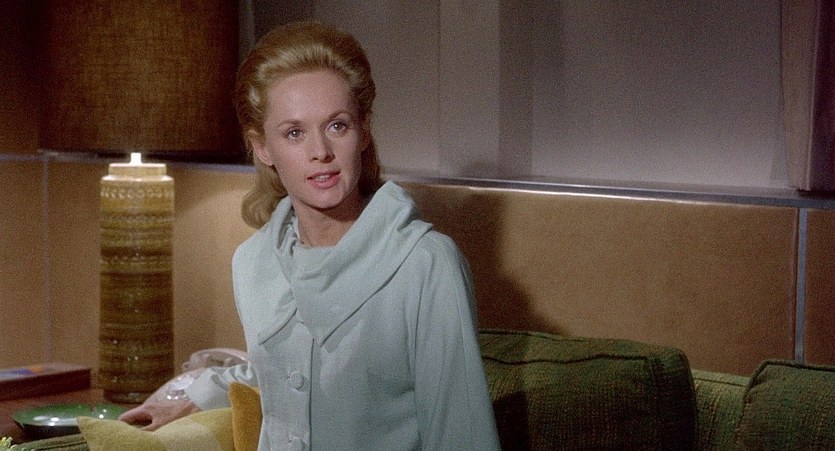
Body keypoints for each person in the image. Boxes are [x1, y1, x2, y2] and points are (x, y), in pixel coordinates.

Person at [119, 21, 500, 450]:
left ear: (363, 131)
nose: (321, 152)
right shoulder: (253, 262)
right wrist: (191, 396)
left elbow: (462, 436)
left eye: (337, 126)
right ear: (262, 147)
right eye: (295, 133)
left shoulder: (426, 264)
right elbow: (284, 370)